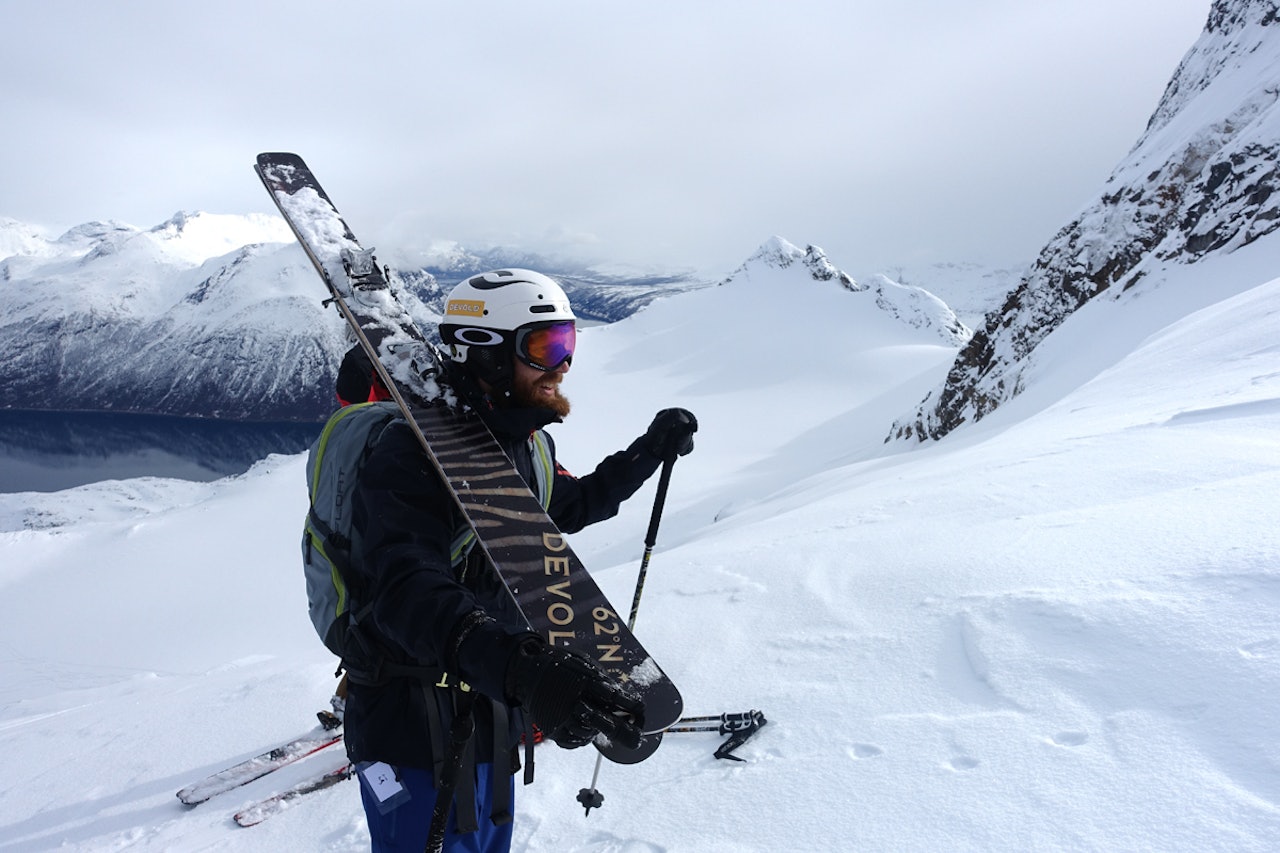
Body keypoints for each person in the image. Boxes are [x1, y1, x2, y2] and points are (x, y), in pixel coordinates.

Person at [339, 269, 697, 852]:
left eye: (568, 344)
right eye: (545, 346)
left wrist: (648, 452)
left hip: (491, 715)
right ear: (485, 352)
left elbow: (572, 505)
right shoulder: (410, 452)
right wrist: (521, 669)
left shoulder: (522, 445)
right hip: (410, 724)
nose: (562, 364)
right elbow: (405, 588)